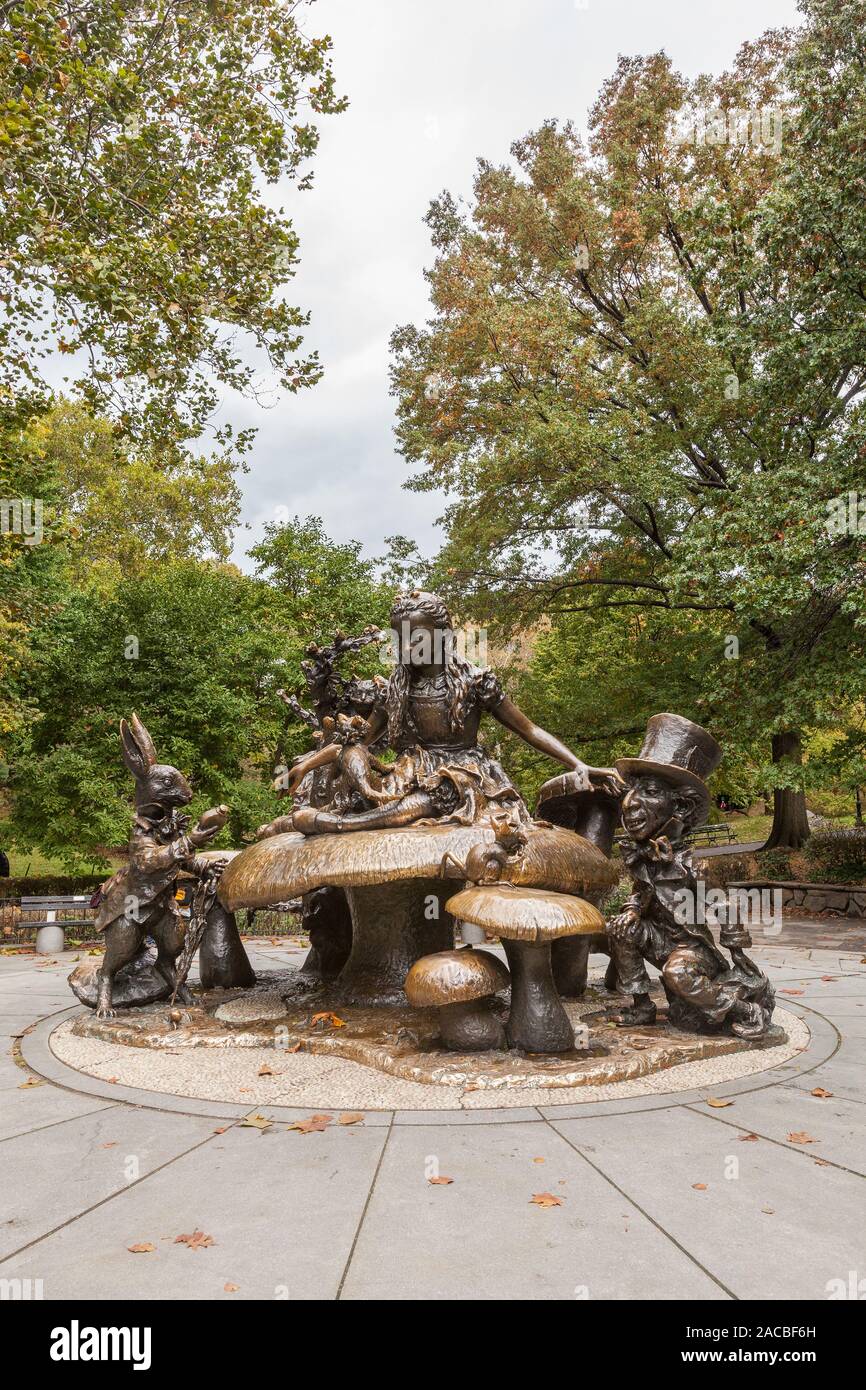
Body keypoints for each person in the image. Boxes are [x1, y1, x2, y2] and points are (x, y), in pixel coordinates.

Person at [286, 589, 621, 834]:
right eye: (400, 639)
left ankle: (341, 825)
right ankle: (332, 819)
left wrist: (579, 764)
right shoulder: (395, 687)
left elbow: (528, 729)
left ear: (442, 636)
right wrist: (305, 765)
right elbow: (355, 744)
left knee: (417, 806)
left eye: (416, 638)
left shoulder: (476, 682)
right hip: (409, 772)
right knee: (368, 791)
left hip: (461, 773)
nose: (406, 648)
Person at [607, 714, 774, 1039]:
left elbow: (722, 905)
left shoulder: (691, 864)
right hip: (659, 939)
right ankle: (641, 1004)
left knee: (678, 970)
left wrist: (738, 956)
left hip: (692, 951)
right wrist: (631, 911)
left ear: (680, 806)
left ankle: (744, 1009)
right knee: (619, 929)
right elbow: (641, 892)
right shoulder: (645, 856)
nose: (630, 803)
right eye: (631, 791)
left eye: (650, 792)